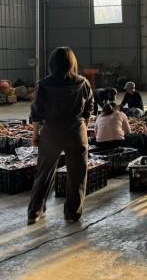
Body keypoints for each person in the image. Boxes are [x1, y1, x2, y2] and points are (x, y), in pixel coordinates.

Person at [27, 47, 94, 225]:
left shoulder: (43, 84)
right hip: (77, 131)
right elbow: (89, 110)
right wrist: (83, 129)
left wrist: (35, 135)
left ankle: (34, 212)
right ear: (72, 62)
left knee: (44, 172)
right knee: (77, 174)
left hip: (52, 132)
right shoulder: (83, 82)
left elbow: (36, 112)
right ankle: (72, 213)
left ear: (52, 63)